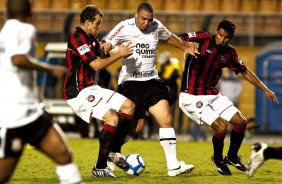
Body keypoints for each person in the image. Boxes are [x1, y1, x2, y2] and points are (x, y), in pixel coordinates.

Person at [102, 2, 199, 176]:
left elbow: (169, 36)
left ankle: (173, 166)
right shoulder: (124, 27)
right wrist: (110, 48)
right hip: (130, 82)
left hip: (152, 81)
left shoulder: (156, 26)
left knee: (166, 118)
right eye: (143, 19)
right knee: (135, 127)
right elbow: (106, 43)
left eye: (149, 20)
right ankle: (110, 154)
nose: (147, 23)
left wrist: (184, 46)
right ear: (136, 15)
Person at [178, 19, 279, 175]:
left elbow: (244, 71)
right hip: (191, 96)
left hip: (211, 94)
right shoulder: (202, 38)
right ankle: (218, 159)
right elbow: (179, 37)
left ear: (230, 38)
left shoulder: (229, 53)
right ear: (216, 31)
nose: (221, 39)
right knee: (221, 127)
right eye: (219, 35)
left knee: (241, 122)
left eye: (225, 37)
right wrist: (186, 45)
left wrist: (265, 89)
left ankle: (231, 156)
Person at [0, 0, 83, 183]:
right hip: (14, 117)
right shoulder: (25, 29)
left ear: (7, 11)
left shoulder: (5, 32)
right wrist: (50, 69)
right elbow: (18, 59)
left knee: (63, 155)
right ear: (30, 10)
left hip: (31, 113)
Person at [63, 5, 135, 177]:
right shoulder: (77, 38)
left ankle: (113, 151)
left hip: (92, 87)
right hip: (78, 92)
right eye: (97, 23)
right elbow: (95, 65)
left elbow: (102, 54)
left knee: (129, 106)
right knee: (112, 117)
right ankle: (100, 167)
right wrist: (119, 55)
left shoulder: (92, 40)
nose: (98, 27)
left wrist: (115, 50)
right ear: (87, 23)